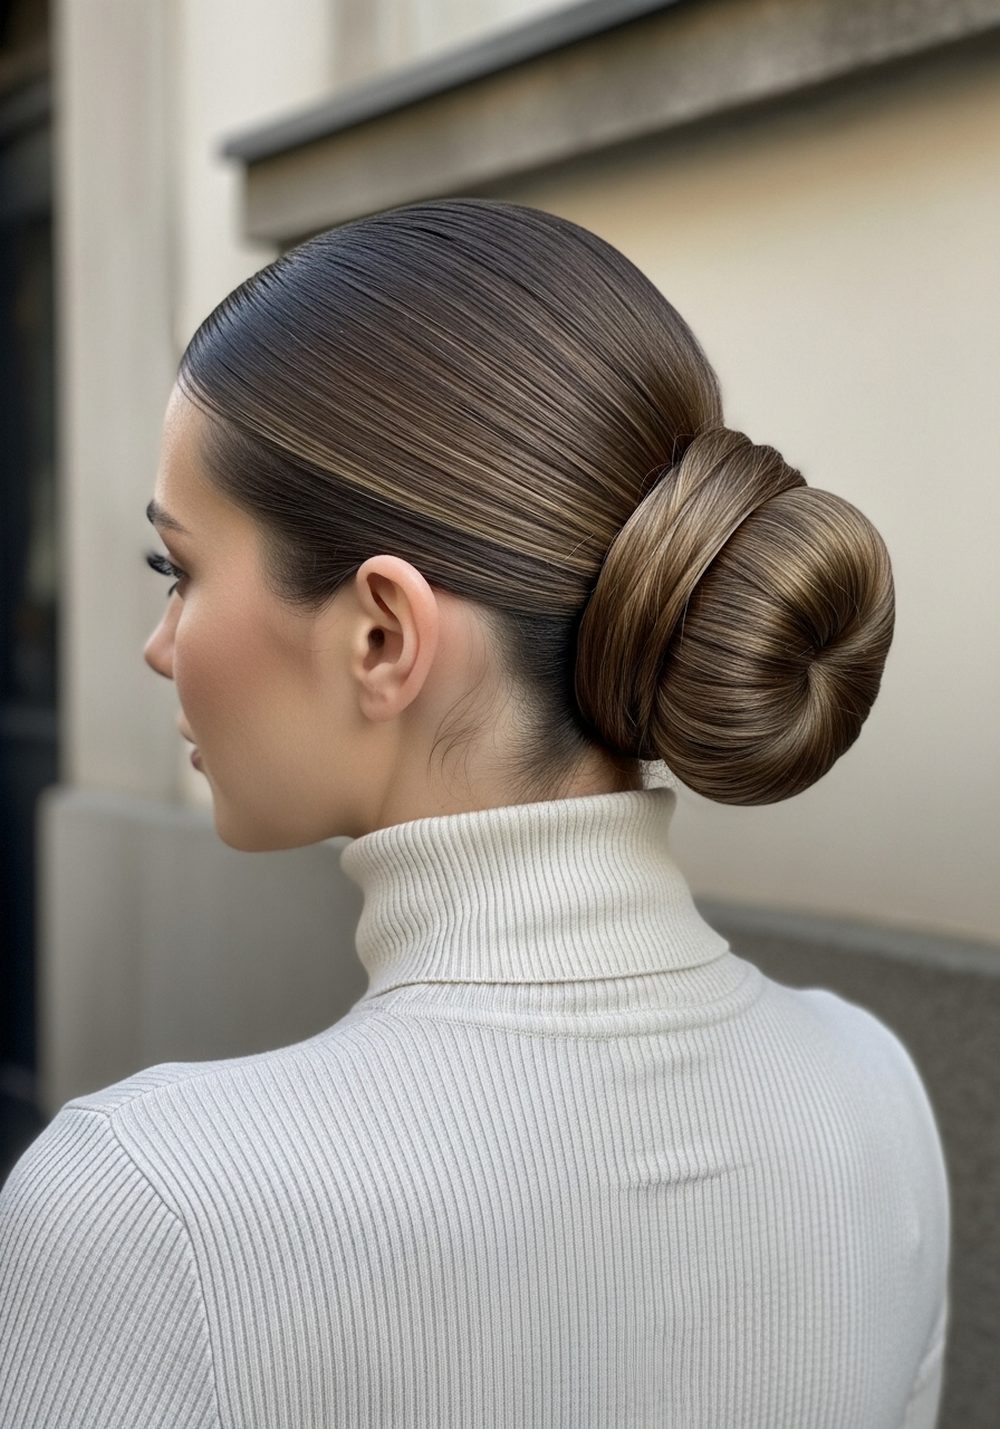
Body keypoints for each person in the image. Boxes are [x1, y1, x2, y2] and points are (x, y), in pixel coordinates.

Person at [0, 198, 949, 1426]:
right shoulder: (874, 1098)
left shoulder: (145, 1209)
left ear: (381, 635)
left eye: (177, 568)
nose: (159, 643)